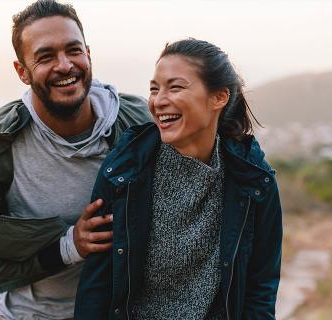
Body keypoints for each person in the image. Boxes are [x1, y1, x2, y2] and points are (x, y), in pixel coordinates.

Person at [0, 1, 152, 319]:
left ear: (88, 54)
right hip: (26, 312)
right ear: (22, 71)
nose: (65, 65)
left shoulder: (137, 122)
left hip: (120, 309)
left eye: (73, 50)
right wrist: (68, 247)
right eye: (45, 56)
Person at [74, 38, 282, 320]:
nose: (159, 101)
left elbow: (260, 287)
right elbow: (97, 284)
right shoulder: (124, 169)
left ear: (219, 97)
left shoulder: (254, 179)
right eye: (154, 89)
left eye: (175, 87)